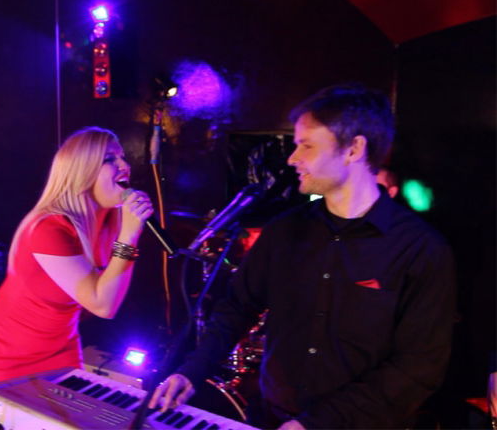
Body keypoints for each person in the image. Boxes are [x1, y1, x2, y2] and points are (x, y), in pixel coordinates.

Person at [149, 84, 456, 429]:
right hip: (273, 417)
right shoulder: (284, 231)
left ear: (354, 149)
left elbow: (417, 367)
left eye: (306, 145)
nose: (293, 158)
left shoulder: (419, 249)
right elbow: (237, 307)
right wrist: (192, 371)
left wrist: (316, 423)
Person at [0, 127, 154, 386]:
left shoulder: (111, 218)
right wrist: (129, 236)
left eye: (122, 157)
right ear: (81, 171)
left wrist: (128, 231)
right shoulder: (49, 229)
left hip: (60, 344)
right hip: (9, 350)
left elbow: (107, 292)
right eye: (109, 159)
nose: (125, 166)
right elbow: (103, 304)